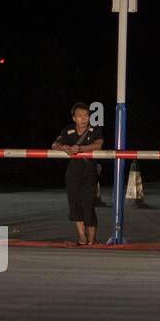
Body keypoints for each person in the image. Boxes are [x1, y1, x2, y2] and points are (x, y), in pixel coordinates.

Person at [52, 102, 104, 245]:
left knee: (89, 207)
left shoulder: (95, 129)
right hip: (73, 174)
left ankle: (92, 241)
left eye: (86, 115)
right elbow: (54, 145)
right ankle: (82, 239)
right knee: (75, 206)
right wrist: (64, 148)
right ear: (74, 118)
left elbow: (99, 145)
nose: (83, 118)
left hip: (90, 173)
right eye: (80, 116)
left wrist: (81, 149)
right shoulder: (67, 131)